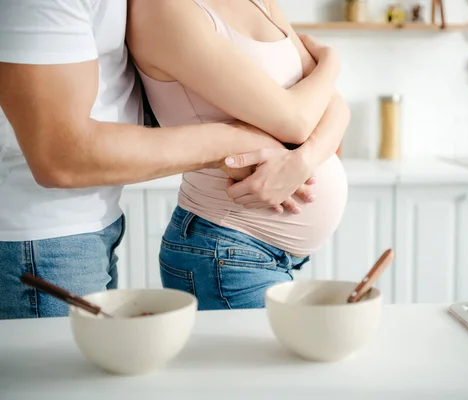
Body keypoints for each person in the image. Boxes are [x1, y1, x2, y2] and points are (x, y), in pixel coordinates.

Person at [0, 0, 338, 319]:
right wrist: (239, 142)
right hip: (47, 235)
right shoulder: (162, 10)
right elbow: (61, 155)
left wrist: (304, 157)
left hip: (95, 220)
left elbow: (329, 107)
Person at [126, 0, 350, 310]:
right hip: (225, 248)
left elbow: (337, 107)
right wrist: (331, 64)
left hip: (257, 252)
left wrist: (305, 160)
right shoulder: (162, 8)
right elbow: (297, 121)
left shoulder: (261, 2)